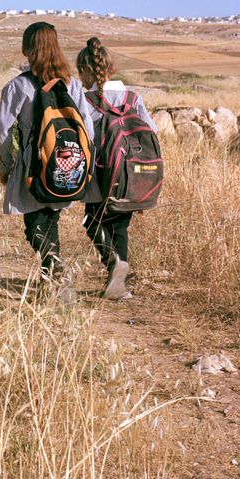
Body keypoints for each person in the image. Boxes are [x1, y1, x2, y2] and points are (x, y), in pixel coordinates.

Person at [0, 22, 94, 297]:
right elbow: (89, 130)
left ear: (26, 49)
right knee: (50, 219)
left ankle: (55, 269)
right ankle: (53, 279)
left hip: (32, 166)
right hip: (66, 167)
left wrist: (5, 166)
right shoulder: (72, 85)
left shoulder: (18, 86)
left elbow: (0, 131)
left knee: (34, 223)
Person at [76, 37, 158, 300]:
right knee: (120, 225)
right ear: (111, 68)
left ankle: (113, 264)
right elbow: (152, 131)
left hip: (99, 173)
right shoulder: (133, 98)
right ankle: (119, 285)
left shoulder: (85, 100)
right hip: (131, 173)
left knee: (92, 221)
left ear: (85, 71)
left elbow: (84, 136)